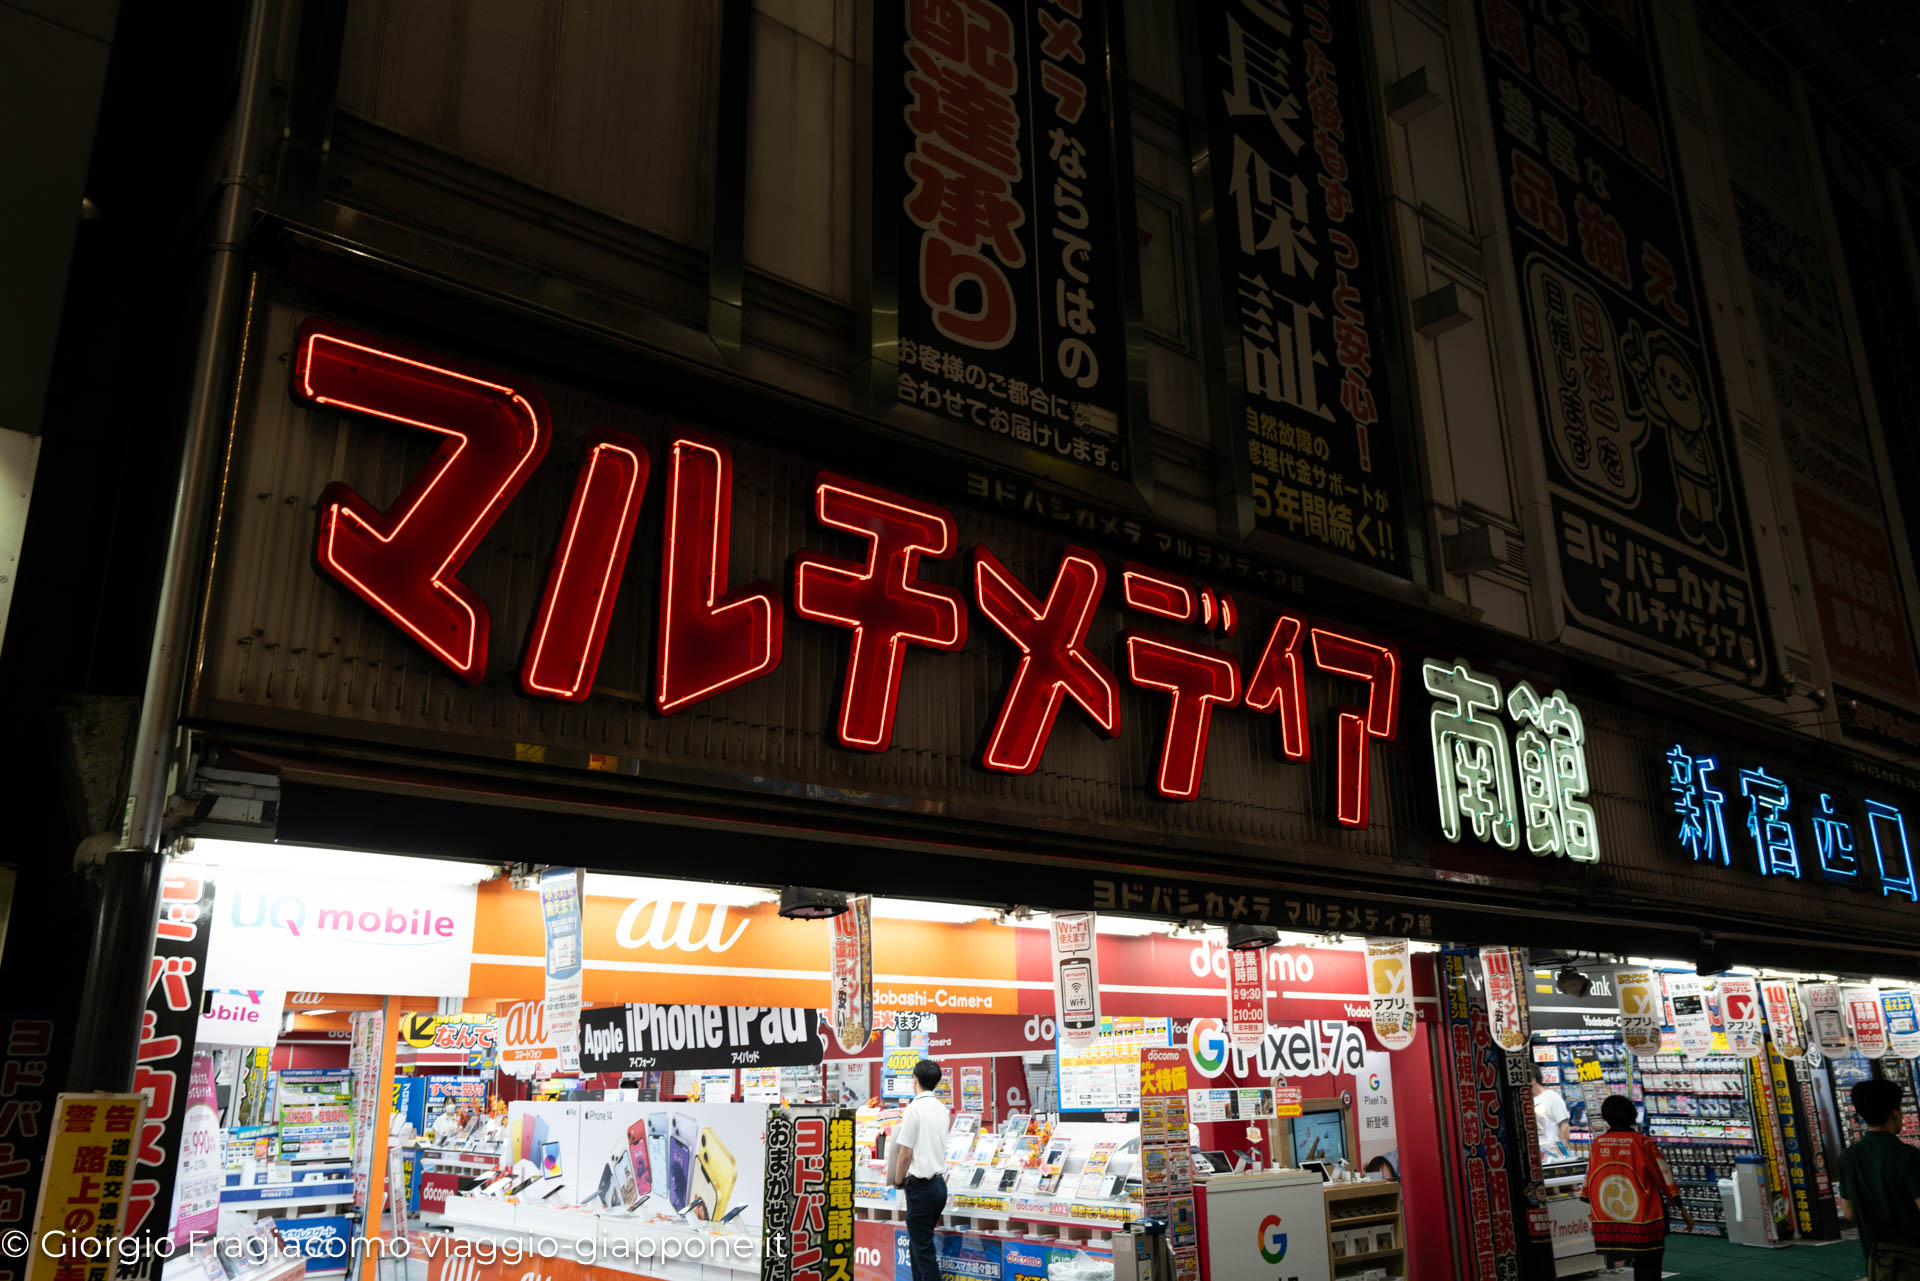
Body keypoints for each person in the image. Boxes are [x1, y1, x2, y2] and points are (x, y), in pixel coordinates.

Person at [1583, 1094, 1689, 1279]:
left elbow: (1590, 1181)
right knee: (1649, 1267)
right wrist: (1680, 1206)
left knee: (1634, 1263)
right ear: (1632, 1114)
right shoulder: (1642, 1142)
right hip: (1645, 1218)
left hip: (1611, 1219)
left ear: (1606, 1116)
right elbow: (1664, 1176)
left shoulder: (1598, 1144)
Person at [1837, 1078, 1920, 1278]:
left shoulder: (1848, 1157)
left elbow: (1848, 1213)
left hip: (1878, 1260)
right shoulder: (1908, 1156)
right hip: (1914, 1258)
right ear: (1895, 1112)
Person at [888, 1059, 950, 1281]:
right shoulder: (942, 1110)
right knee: (919, 1246)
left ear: (915, 1079)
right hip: (939, 1187)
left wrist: (896, 1180)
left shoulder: (914, 1109)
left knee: (923, 1252)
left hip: (920, 1189)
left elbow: (905, 1153)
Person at [1533, 1069, 1572, 1155]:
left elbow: (1564, 1126)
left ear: (1533, 1080)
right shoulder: (1525, 1100)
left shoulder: (1551, 1097)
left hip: (1553, 1154)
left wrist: (1562, 1153)